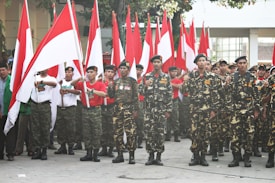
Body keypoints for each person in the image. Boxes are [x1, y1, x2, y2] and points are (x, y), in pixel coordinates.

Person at [181, 54, 220, 166]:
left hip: (207, 110)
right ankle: (195, 156)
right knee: (194, 133)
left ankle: (203, 156)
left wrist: (214, 110)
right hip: (195, 110)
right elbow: (184, 91)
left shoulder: (212, 77)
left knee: (205, 133)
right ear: (196, 63)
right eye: (200, 61)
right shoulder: (192, 75)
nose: (202, 62)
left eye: (204, 60)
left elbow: (215, 94)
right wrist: (185, 81)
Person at [226, 56, 260, 167]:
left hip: (249, 110)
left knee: (249, 135)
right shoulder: (231, 77)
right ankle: (236, 158)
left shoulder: (252, 77)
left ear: (247, 64)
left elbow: (257, 95)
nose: (242, 65)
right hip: (235, 110)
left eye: (244, 63)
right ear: (237, 65)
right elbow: (227, 94)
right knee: (235, 136)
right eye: (240, 63)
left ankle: (247, 158)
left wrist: (256, 110)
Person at [141, 55, 173, 166]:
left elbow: (169, 94)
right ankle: (150, 155)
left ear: (161, 63)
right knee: (149, 133)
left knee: (160, 134)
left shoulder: (166, 77)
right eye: (154, 62)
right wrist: (145, 86)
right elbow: (140, 92)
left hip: (161, 110)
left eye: (158, 61)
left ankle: (159, 156)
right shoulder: (147, 76)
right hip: (149, 111)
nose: (156, 64)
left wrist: (168, 109)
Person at [108, 60, 139, 164]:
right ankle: (120, 154)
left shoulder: (132, 81)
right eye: (121, 68)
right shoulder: (116, 81)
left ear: (128, 70)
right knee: (117, 133)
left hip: (128, 109)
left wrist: (135, 110)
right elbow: (111, 95)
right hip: (117, 109)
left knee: (131, 132)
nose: (122, 70)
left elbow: (136, 97)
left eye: (124, 68)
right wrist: (110, 85)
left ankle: (131, 155)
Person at [75, 66, 106, 162]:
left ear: (96, 73)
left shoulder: (100, 84)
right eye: (88, 72)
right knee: (87, 132)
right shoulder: (84, 84)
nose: (89, 74)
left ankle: (95, 153)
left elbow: (104, 94)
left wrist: (92, 91)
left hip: (95, 110)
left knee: (96, 132)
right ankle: (88, 153)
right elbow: (72, 84)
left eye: (91, 72)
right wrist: (79, 79)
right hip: (85, 110)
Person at [30, 69, 57, 160]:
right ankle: (37, 150)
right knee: (35, 128)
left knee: (45, 127)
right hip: (35, 104)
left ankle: (44, 150)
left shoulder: (51, 78)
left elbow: (54, 84)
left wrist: (42, 82)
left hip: (45, 105)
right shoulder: (34, 77)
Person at [54, 67, 80, 156]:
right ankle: (62, 146)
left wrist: (68, 90)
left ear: (73, 73)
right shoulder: (60, 82)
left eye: (70, 72)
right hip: (60, 107)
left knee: (70, 128)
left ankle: (71, 146)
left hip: (70, 109)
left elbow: (78, 92)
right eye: (66, 72)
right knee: (61, 128)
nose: (68, 73)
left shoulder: (74, 83)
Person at [98, 65, 116, 157]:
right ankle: (103, 148)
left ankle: (111, 149)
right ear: (104, 73)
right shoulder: (100, 82)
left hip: (111, 108)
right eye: (108, 72)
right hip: (102, 107)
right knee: (103, 129)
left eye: (112, 72)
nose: (110, 74)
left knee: (111, 129)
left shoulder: (115, 83)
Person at [0, 62, 16, 161]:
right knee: (0, 133)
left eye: (3, 70)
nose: (2, 72)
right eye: (0, 70)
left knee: (11, 133)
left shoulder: (12, 81)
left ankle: (10, 153)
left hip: (10, 111)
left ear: (8, 70)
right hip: (0, 111)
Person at [166, 66, 182, 142]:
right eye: (172, 71)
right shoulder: (165, 79)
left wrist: (170, 84)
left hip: (175, 100)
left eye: (175, 71)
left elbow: (179, 86)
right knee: (167, 118)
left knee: (175, 118)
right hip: (167, 100)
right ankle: (167, 134)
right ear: (169, 72)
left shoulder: (177, 80)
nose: (174, 73)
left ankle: (176, 135)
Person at [136, 64, 145, 148]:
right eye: (136, 69)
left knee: (140, 121)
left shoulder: (144, 80)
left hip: (141, 103)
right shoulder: (131, 80)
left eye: (140, 70)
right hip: (132, 103)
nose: (138, 71)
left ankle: (140, 140)